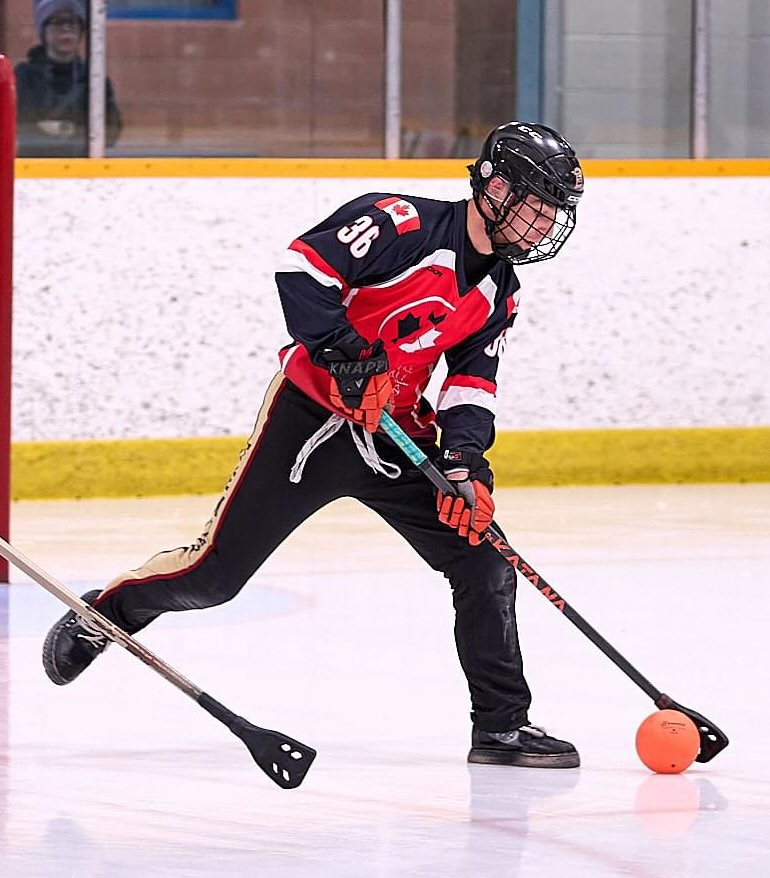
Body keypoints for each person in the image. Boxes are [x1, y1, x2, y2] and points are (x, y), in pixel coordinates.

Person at [42, 121, 585, 769]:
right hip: (313, 421)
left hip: (397, 441)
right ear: (494, 189)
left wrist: (466, 462)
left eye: (556, 210)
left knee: (485, 561)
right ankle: (106, 612)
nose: (547, 221)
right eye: (538, 203)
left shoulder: (500, 291)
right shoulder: (401, 224)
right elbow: (302, 268)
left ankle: (501, 728)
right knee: (214, 577)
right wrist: (345, 352)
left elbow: (472, 382)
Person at [14, 0, 122, 157]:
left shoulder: (94, 79)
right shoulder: (24, 76)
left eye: (73, 23)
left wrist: (62, 130)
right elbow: (20, 127)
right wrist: (74, 130)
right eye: (58, 22)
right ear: (44, 31)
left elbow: (111, 132)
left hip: (82, 169)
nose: (66, 29)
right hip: (33, 168)